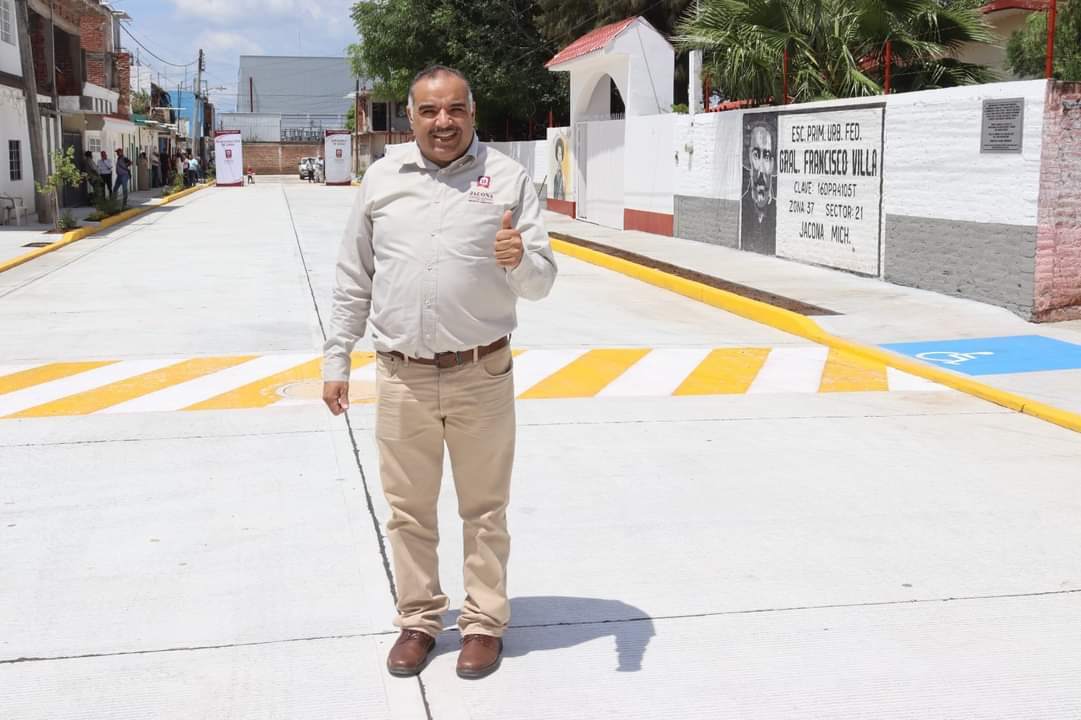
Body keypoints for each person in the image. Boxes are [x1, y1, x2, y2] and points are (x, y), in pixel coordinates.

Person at [322, 65, 557, 680]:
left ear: (472, 113)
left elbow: (542, 282)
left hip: (482, 372)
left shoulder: (506, 178)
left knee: (484, 509)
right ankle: (420, 620)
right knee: (408, 509)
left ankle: (482, 624)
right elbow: (354, 276)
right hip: (401, 375)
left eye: (455, 109)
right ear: (411, 116)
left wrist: (520, 259)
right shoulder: (381, 179)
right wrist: (336, 357)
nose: (443, 121)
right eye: (429, 111)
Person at [740, 116, 778, 255]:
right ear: (749, 158)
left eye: (767, 156)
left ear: (773, 163)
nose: (761, 170)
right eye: (756, 155)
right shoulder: (741, 208)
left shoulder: (778, 211)